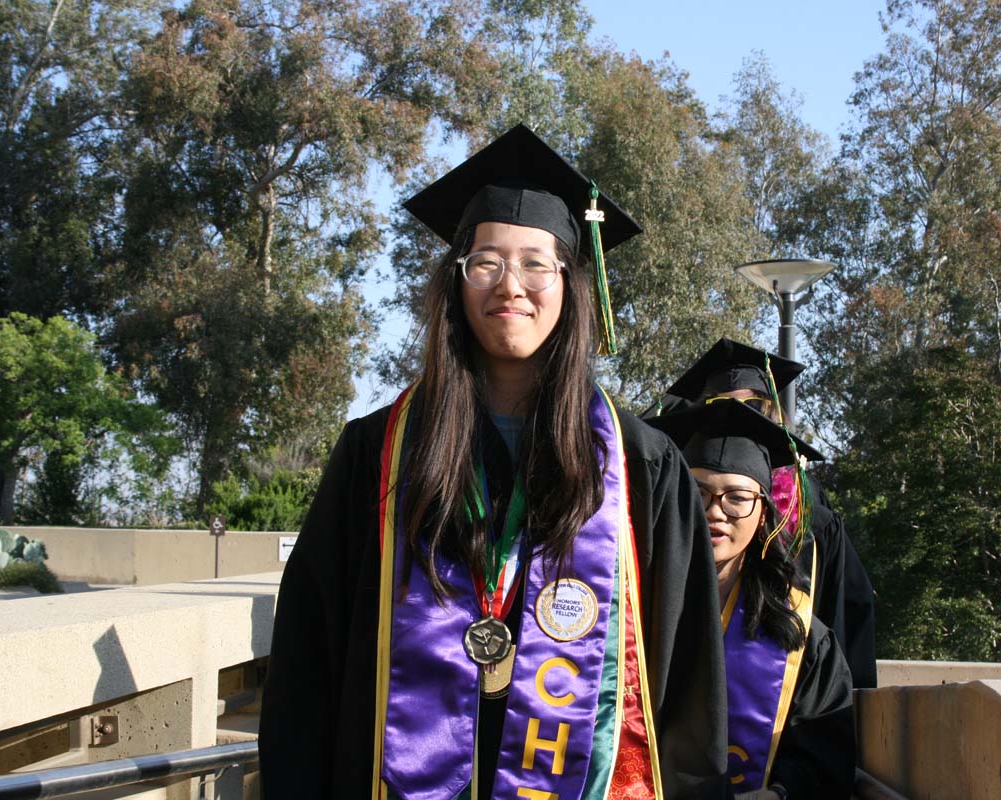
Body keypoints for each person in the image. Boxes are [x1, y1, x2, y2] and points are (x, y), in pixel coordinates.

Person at [258, 124, 727, 800]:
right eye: (486, 263)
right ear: (456, 282)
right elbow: (309, 663)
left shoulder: (641, 467)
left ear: (570, 284)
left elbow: (686, 692)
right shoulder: (377, 454)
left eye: (537, 263)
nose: (512, 285)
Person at [648, 399, 856, 800]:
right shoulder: (632, 613)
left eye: (737, 497)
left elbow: (826, 762)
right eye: (698, 491)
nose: (716, 512)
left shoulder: (800, 636)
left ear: (763, 513)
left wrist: (778, 794)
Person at [644, 338, 878, 689]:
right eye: (718, 405)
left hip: (788, 677)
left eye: (754, 403)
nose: (717, 511)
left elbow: (846, 614)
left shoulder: (812, 511)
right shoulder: (666, 507)